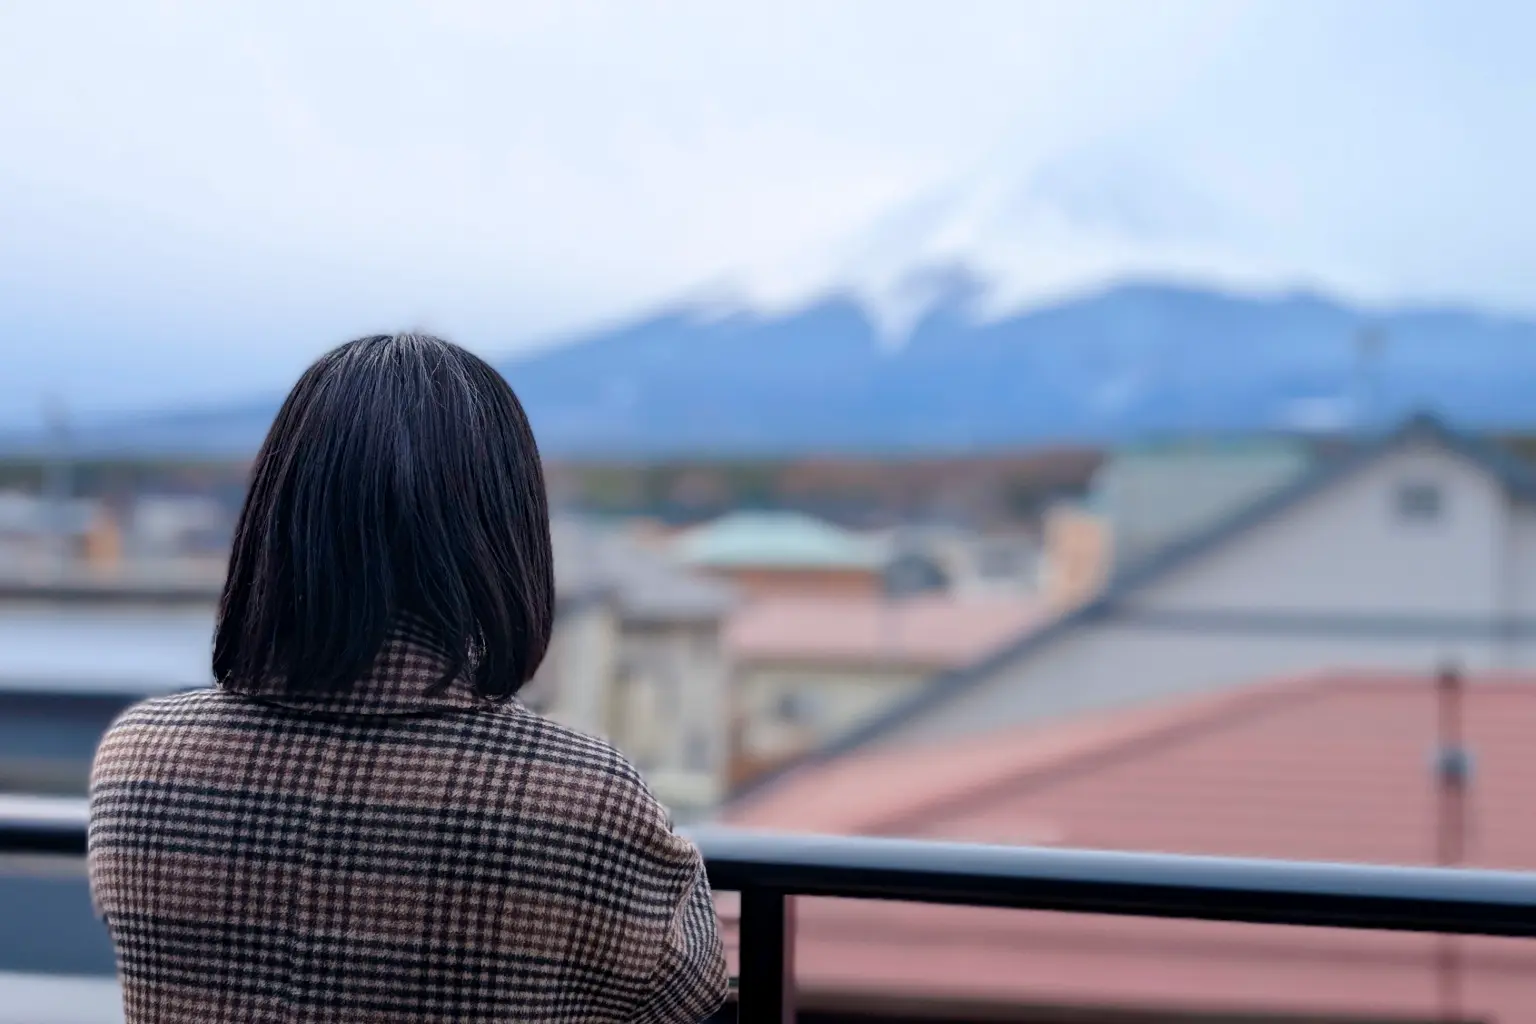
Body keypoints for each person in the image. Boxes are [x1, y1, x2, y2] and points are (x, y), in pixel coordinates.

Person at [87, 333, 729, 1024]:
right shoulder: (583, 795)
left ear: (276, 515)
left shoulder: (139, 758)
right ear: (501, 533)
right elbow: (690, 999)